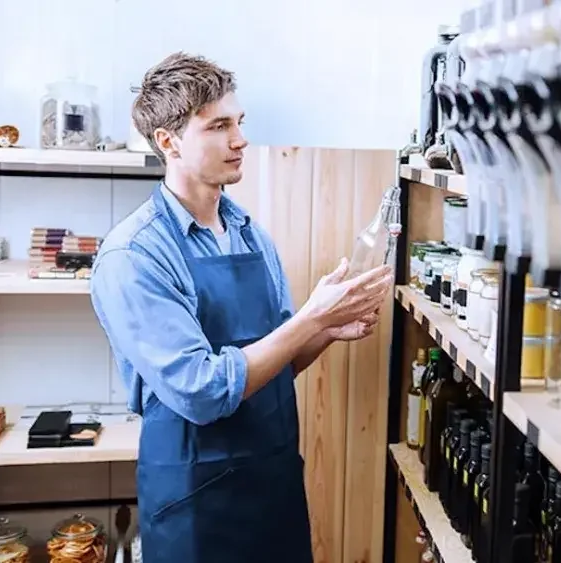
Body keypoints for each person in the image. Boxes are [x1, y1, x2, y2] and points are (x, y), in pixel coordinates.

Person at [89, 52, 392, 563]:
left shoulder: (249, 232)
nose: (240, 138)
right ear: (169, 142)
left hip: (272, 486)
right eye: (219, 125)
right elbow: (202, 391)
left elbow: (277, 361)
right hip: (196, 503)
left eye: (240, 122)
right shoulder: (134, 255)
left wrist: (325, 329)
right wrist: (311, 318)